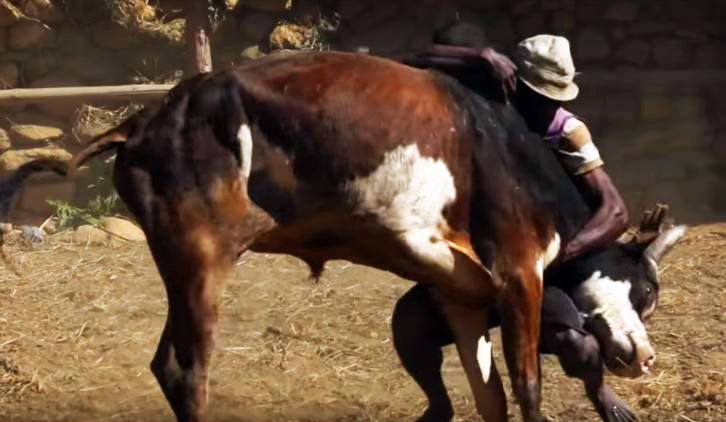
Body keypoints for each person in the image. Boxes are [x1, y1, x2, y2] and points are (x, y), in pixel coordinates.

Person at [394, 25, 636, 422]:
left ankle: (599, 391)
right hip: (472, 260)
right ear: (512, 79)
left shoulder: (566, 130)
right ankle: (439, 405)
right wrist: (480, 55)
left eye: (550, 96)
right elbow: (412, 61)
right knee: (410, 323)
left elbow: (615, 211)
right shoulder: (489, 107)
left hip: (534, 267)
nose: (543, 104)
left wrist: (554, 259)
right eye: (536, 93)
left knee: (580, 347)